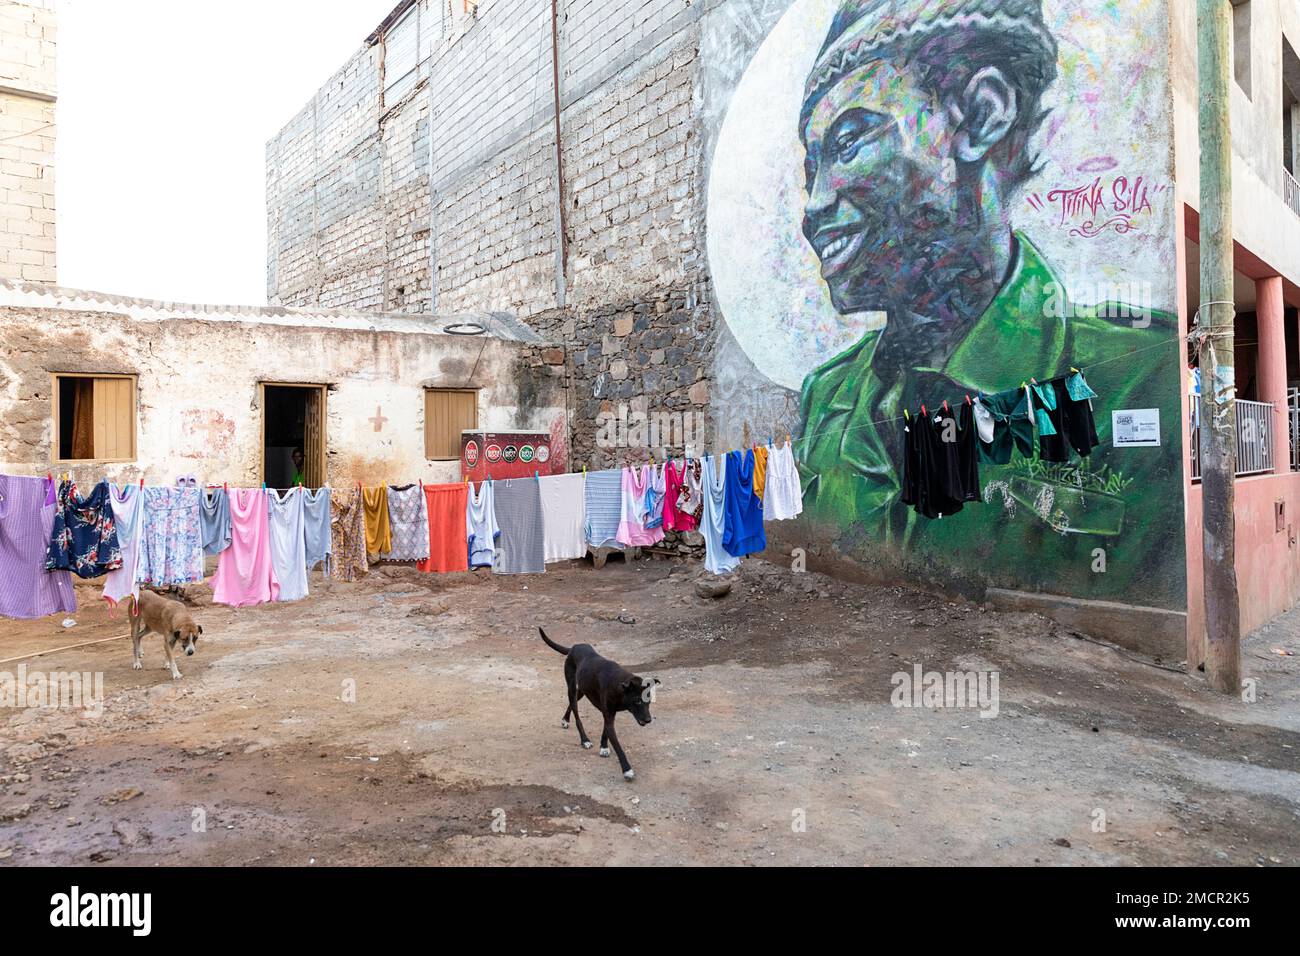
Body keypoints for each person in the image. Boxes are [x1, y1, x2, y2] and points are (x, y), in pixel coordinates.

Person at [792, 0, 1182, 605]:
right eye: (810, 167)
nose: (812, 206)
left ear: (981, 115)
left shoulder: (1145, 377)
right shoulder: (826, 398)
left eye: (849, 142)